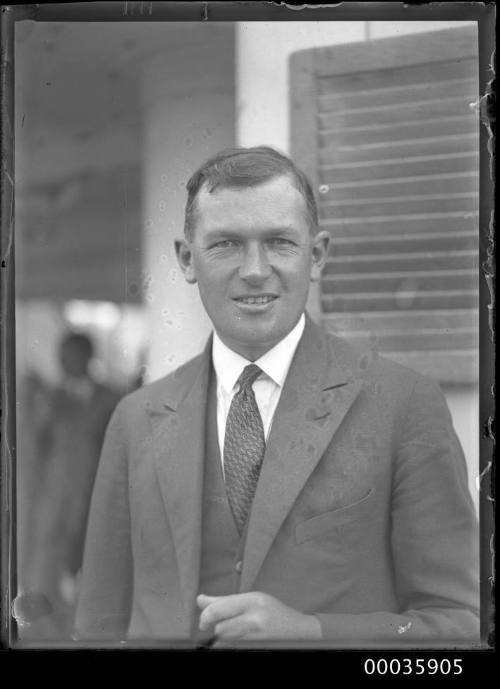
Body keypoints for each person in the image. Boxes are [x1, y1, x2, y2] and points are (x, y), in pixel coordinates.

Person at [75, 146, 479, 646]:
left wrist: (313, 632)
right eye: (225, 244)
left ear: (317, 255)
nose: (254, 270)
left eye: (280, 242)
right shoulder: (136, 417)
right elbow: (97, 625)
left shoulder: (404, 403)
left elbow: (460, 626)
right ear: (187, 259)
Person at [21, 332, 121, 639]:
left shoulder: (111, 400)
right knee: (43, 572)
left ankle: (83, 633)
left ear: (88, 357)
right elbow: (33, 451)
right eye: (61, 356)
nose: (64, 362)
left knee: (91, 572)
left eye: (71, 355)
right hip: (53, 505)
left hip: (94, 501)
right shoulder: (50, 399)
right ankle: (45, 634)